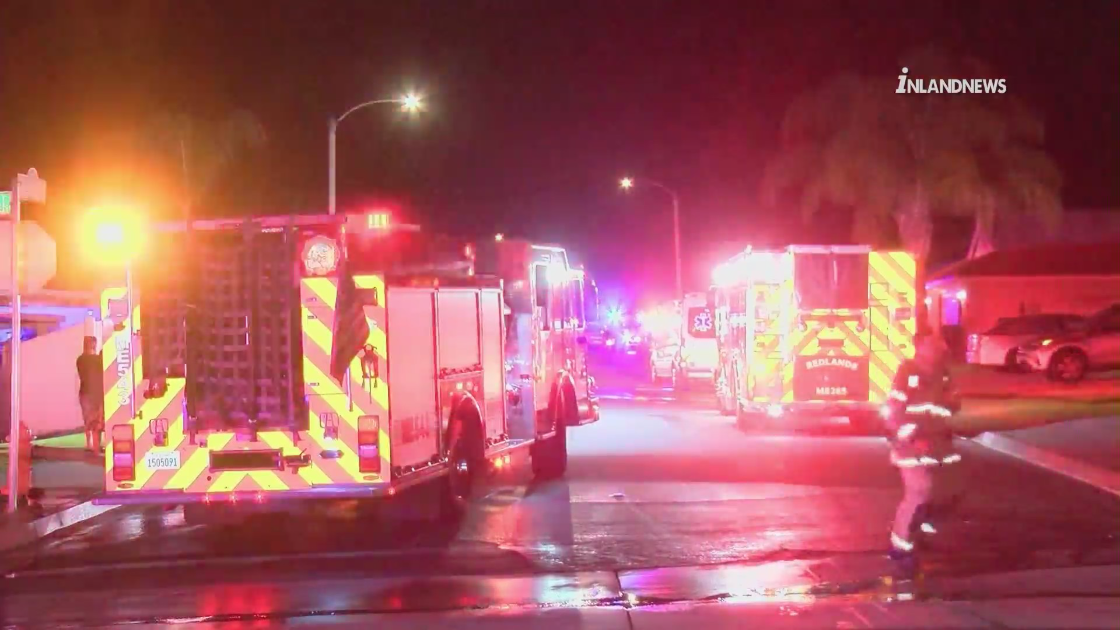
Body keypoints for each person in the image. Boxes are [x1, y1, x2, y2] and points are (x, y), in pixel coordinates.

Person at [882, 330, 962, 574]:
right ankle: (900, 547)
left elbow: (951, 403)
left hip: (936, 444)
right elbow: (895, 408)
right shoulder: (908, 372)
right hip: (911, 443)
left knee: (938, 491)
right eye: (933, 343)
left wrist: (948, 410)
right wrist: (907, 436)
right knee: (918, 491)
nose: (939, 346)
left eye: (940, 343)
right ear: (921, 346)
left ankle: (917, 530)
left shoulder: (942, 373)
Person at [76, 336, 104, 453]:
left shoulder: (80, 360)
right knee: (97, 419)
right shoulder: (95, 360)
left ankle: (90, 444)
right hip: (96, 393)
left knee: (88, 419)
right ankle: (96, 445)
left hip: (85, 392)